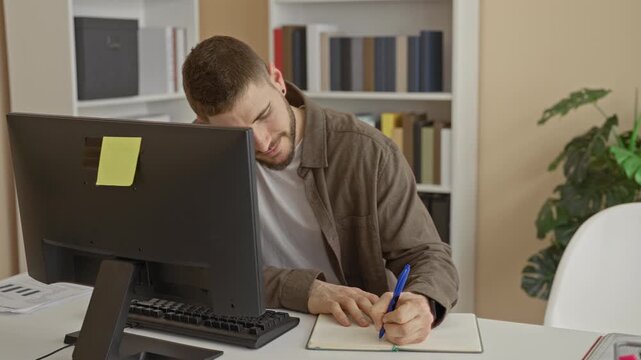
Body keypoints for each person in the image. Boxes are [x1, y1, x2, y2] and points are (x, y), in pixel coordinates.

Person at [182, 36, 459, 345]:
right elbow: (191, 269)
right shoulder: (202, 159)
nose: (262, 142)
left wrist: (422, 301)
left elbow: (426, 254)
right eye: (239, 134)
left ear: (277, 81)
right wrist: (306, 291)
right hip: (252, 332)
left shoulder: (367, 151)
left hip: (351, 335)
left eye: (263, 116)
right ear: (203, 125)